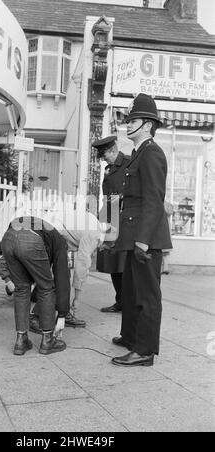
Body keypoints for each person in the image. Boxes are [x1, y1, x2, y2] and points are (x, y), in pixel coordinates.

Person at [111, 93, 172, 367]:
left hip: (146, 238)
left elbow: (153, 200)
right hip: (135, 235)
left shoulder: (152, 154)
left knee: (147, 295)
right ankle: (131, 337)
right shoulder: (140, 153)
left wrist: (144, 241)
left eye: (133, 119)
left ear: (147, 125)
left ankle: (145, 350)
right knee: (132, 291)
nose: (128, 124)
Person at [1, 216, 70, 356]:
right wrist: (62, 315)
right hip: (29, 238)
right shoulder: (61, 243)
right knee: (46, 288)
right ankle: (48, 341)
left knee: (21, 289)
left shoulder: (47, 231)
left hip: (7, 237)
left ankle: (21, 341)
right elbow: (62, 278)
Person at [92, 135, 130, 313]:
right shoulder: (109, 169)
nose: (103, 159)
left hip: (125, 221)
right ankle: (121, 301)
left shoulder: (130, 163)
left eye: (104, 155)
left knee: (124, 263)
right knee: (113, 262)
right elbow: (107, 198)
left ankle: (128, 302)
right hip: (111, 219)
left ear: (113, 150)